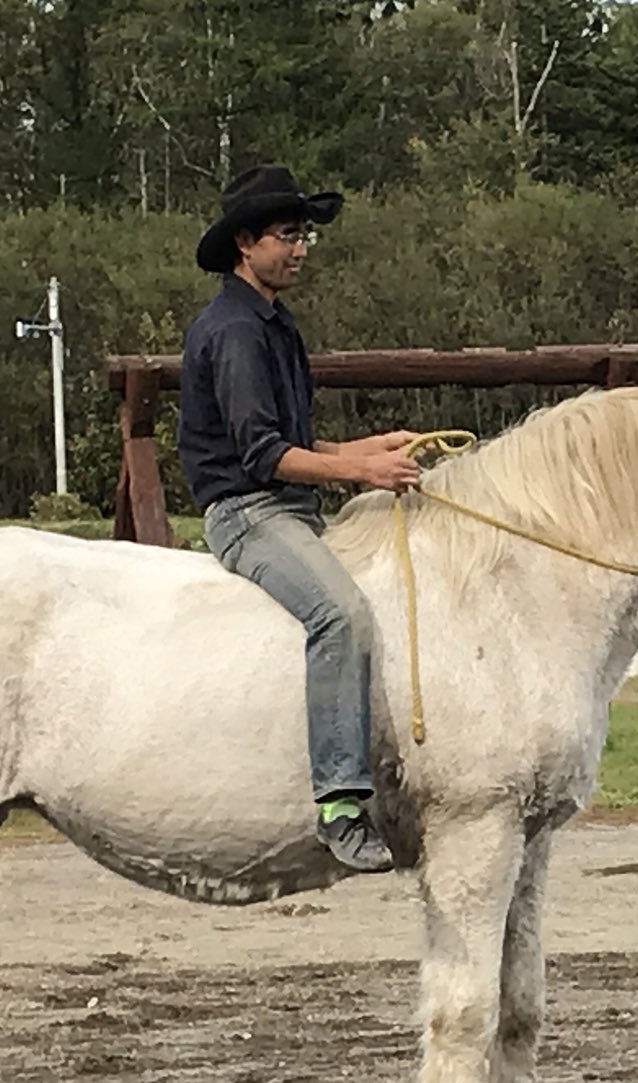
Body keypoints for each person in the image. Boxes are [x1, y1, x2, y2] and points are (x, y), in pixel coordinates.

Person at [178, 164, 422, 875]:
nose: (301, 248)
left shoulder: (272, 324)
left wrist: (363, 449)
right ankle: (342, 803)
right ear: (245, 243)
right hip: (249, 514)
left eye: (303, 235)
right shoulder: (233, 332)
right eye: (289, 236)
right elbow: (262, 455)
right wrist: (363, 471)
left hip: (286, 502)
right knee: (342, 615)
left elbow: (294, 442)